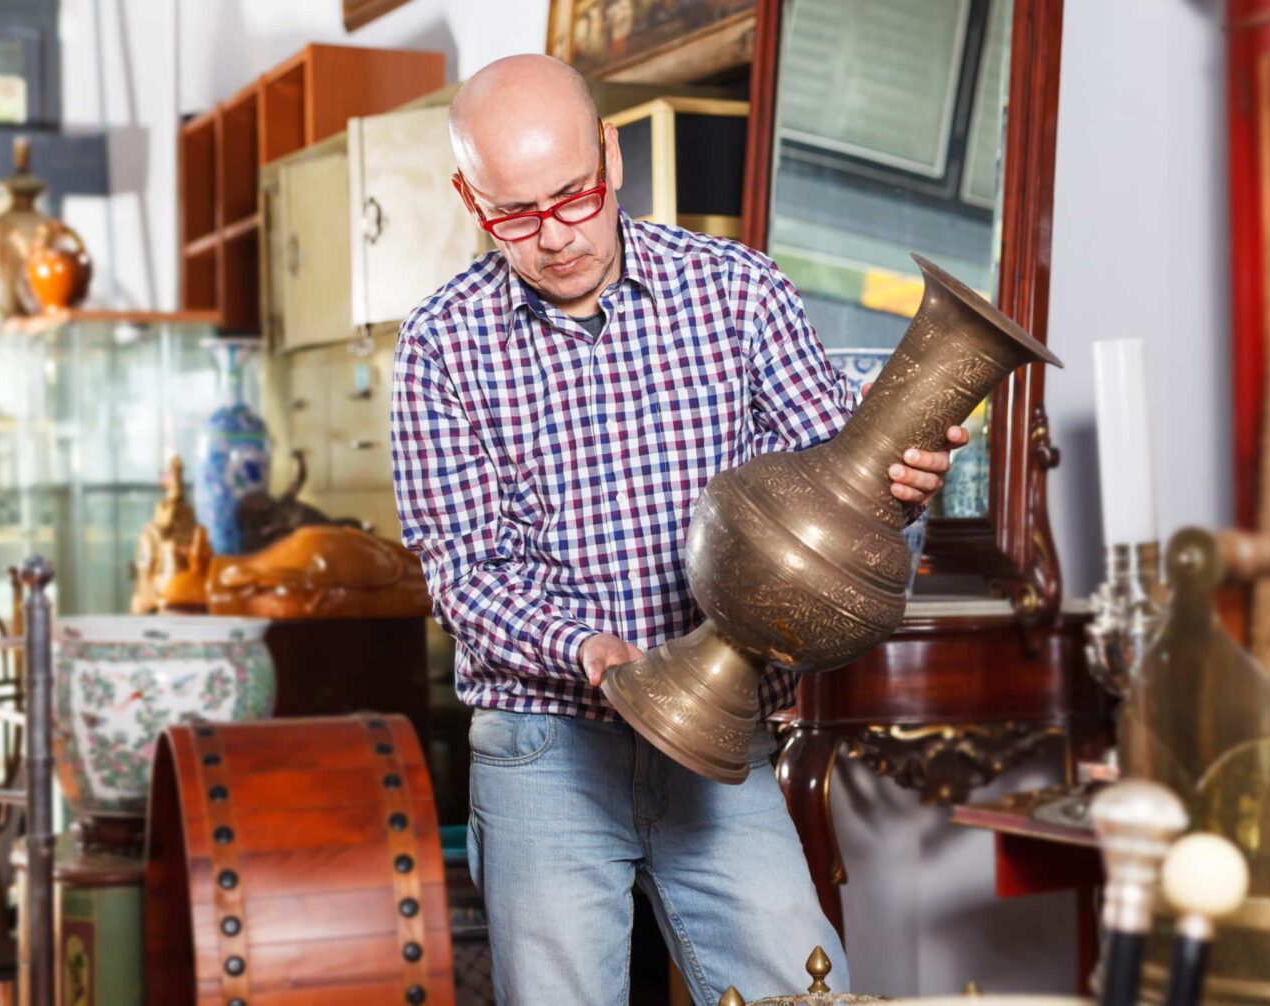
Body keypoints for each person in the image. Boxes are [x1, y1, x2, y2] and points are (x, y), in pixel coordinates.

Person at [390, 54, 966, 1004]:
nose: (555, 238)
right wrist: (593, 653)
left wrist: (900, 490)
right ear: (468, 197)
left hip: (724, 748)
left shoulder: (738, 291)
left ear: (611, 157)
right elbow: (465, 571)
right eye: (515, 215)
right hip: (547, 751)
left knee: (805, 990)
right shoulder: (440, 348)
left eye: (573, 197)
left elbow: (838, 496)